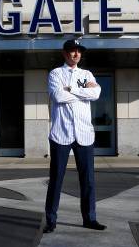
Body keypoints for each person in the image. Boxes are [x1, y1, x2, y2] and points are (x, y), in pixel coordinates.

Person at [44, 39, 107, 234]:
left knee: (88, 180)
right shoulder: (56, 73)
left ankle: (90, 219)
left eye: (78, 51)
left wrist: (71, 89)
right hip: (61, 133)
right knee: (56, 179)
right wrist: (83, 92)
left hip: (84, 134)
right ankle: (51, 220)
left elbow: (96, 93)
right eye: (72, 51)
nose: (76, 54)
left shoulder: (86, 74)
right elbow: (58, 97)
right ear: (65, 53)